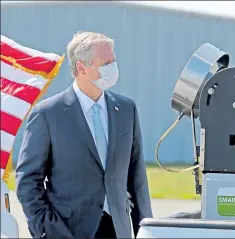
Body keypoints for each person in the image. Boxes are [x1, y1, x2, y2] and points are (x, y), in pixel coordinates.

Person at [16, 31, 153, 239]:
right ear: (82, 67)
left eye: (113, 61)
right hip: (68, 231)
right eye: (106, 62)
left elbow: (137, 178)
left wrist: (146, 230)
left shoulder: (126, 109)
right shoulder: (48, 114)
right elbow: (28, 180)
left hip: (118, 229)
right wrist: (45, 229)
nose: (113, 68)